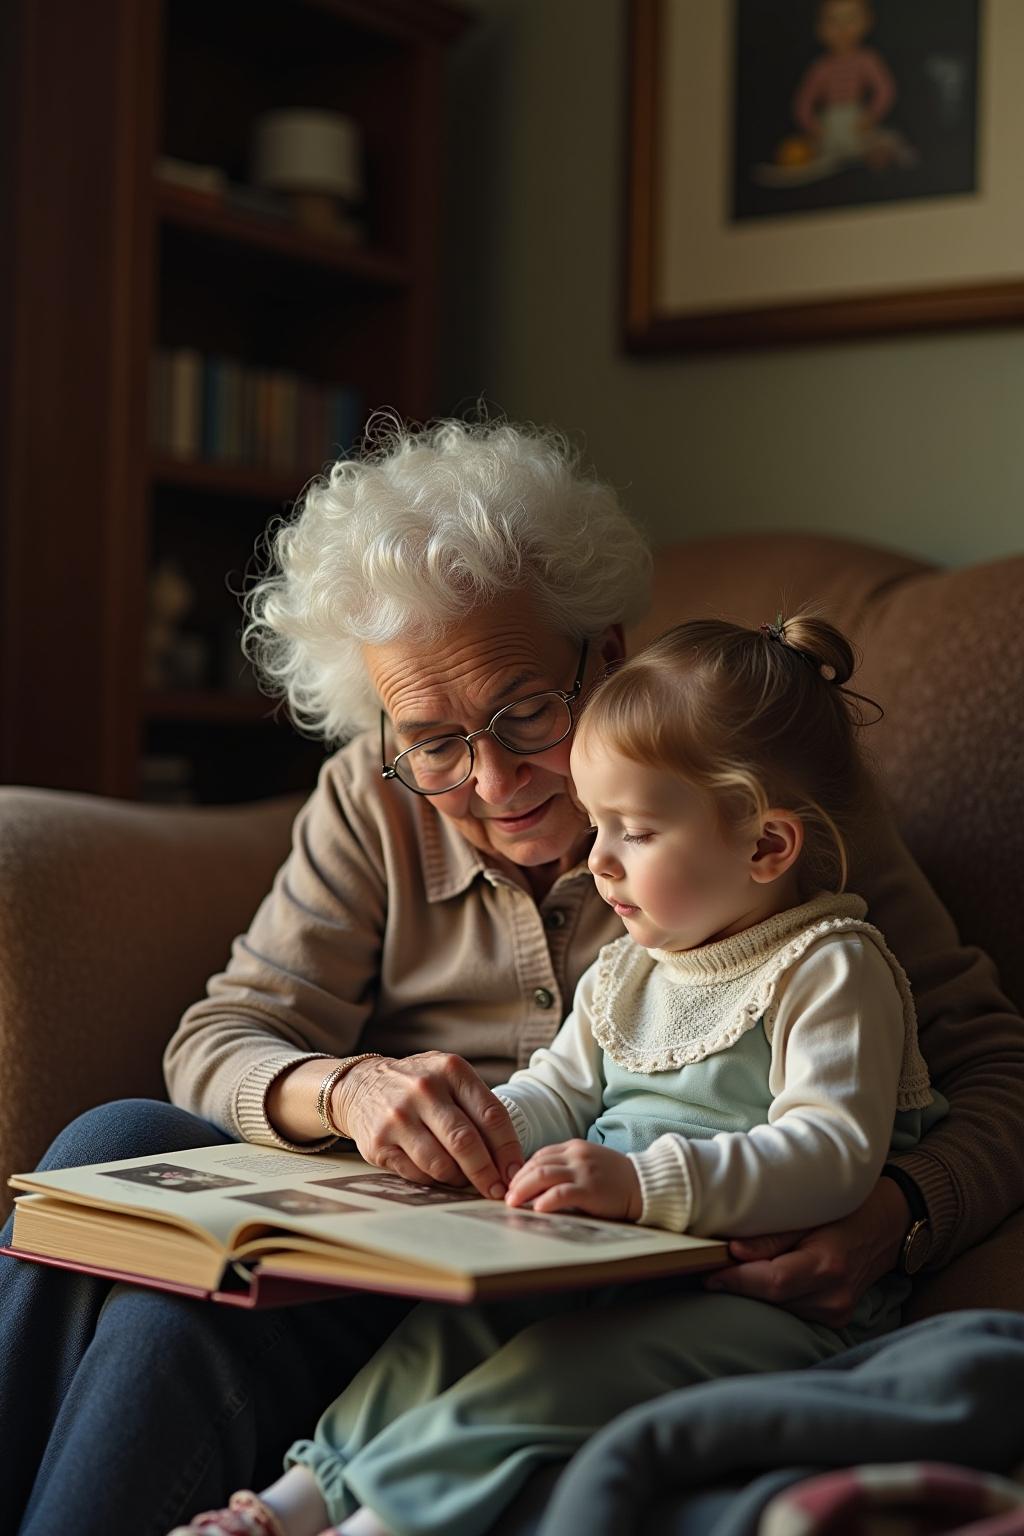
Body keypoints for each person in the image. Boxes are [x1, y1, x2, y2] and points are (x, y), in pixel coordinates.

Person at [1, 419, 1022, 1536]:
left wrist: (898, 1213)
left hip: (595, 1273)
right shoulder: (372, 797)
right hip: (387, 1236)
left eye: (525, 710)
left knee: (174, 1312)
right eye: (432, 740)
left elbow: (993, 1069)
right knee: (106, 1147)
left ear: (607, 652)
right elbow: (221, 1037)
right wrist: (348, 1092)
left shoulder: (745, 801)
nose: (490, 777)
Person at [169, 610, 946, 1536]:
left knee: (552, 1379)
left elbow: (831, 1152)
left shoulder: (828, 963)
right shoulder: (634, 964)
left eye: (635, 832)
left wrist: (640, 1184)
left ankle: (378, 1523)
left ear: (766, 847)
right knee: (444, 1335)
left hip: (768, 1302)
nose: (601, 858)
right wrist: (483, 1131)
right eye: (599, 823)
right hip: (613, 1261)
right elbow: (559, 1088)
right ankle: (294, 1501)